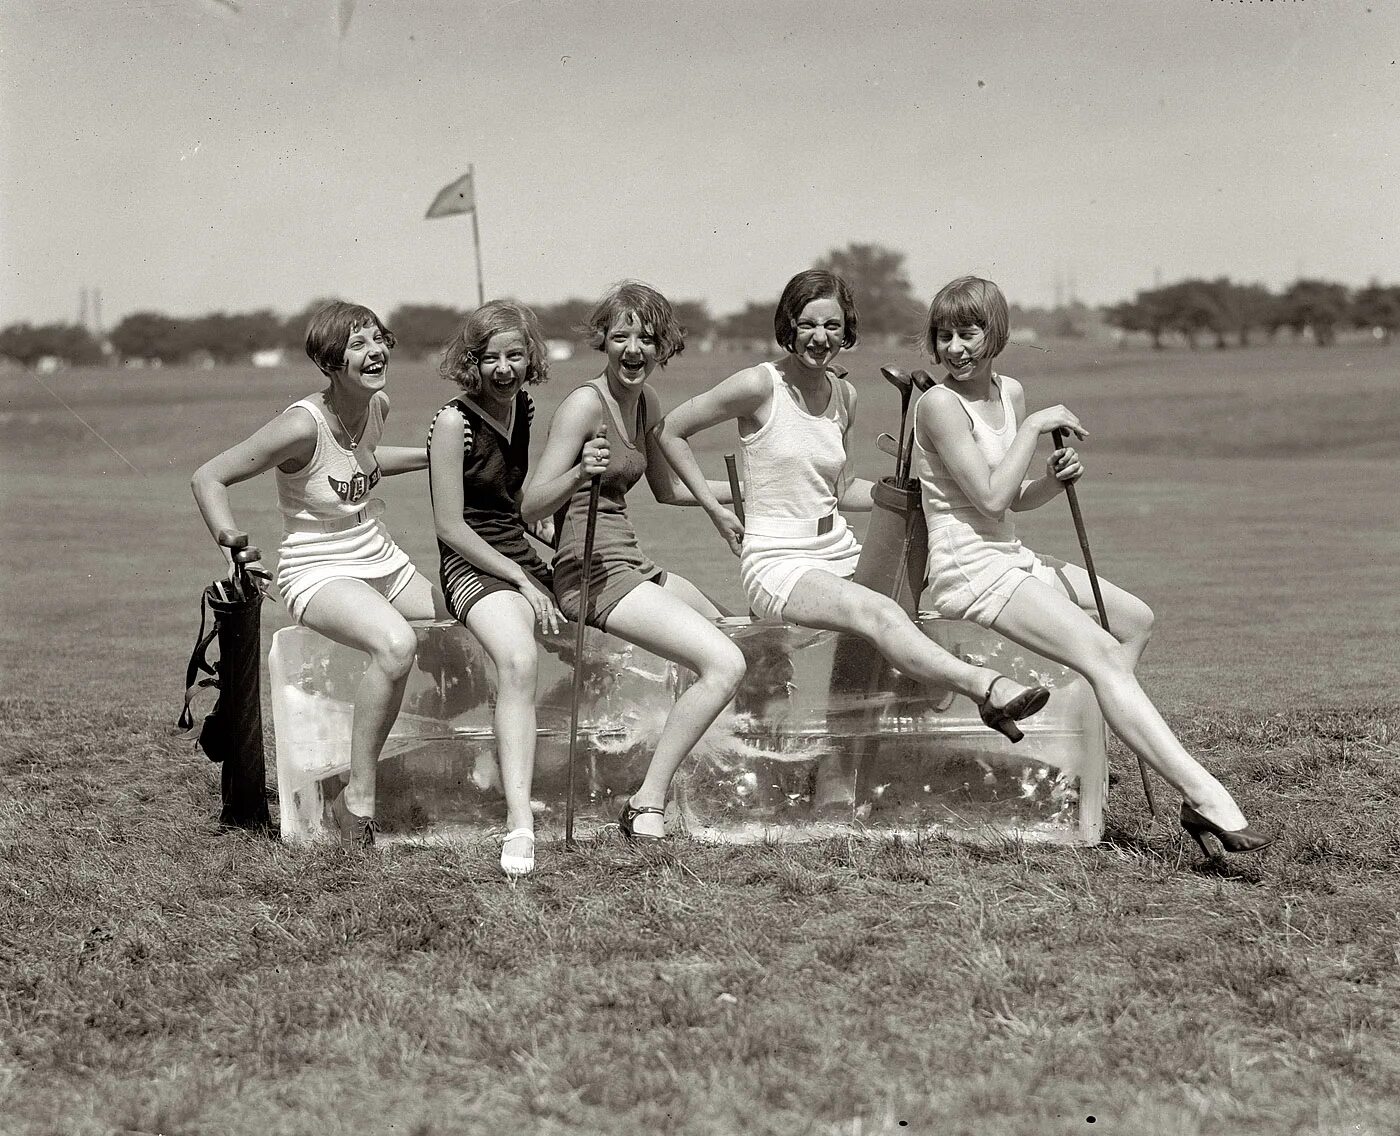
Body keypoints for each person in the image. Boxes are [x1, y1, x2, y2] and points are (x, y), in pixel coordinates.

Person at [910, 275, 1274, 857]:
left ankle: (1096, 741)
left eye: (968, 334)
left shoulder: (1009, 392)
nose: (954, 348)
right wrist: (1034, 429)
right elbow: (989, 498)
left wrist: (1051, 482)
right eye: (944, 335)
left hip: (1009, 557)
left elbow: (1013, 498)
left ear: (994, 334)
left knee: (1134, 621)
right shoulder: (938, 405)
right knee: (1103, 656)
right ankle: (1204, 797)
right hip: (969, 571)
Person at [657, 269, 1052, 753]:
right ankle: (987, 688)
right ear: (788, 325)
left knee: (907, 619)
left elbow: (842, 490)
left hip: (838, 547)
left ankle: (881, 756)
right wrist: (714, 509)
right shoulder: (759, 384)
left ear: (846, 330)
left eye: (832, 326)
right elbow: (670, 430)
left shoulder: (845, 394)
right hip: (777, 561)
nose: (820, 337)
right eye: (807, 324)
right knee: (880, 613)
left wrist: (915, 490)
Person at [192, 301, 440, 848]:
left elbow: (364, 461)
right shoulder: (301, 425)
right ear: (330, 362)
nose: (374, 352)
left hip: (382, 558)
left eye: (378, 339)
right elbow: (209, 476)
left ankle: (458, 763)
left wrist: (433, 454)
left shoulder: (377, 404)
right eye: (357, 344)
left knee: (471, 613)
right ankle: (357, 799)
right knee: (397, 645)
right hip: (317, 570)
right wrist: (233, 544)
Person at [520, 281, 746, 841]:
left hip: (631, 564)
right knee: (725, 664)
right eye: (622, 337)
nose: (634, 349)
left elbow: (669, 490)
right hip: (589, 574)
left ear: (662, 346)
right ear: (603, 340)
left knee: (730, 628)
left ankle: (696, 776)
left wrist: (745, 496)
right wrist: (579, 473)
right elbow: (530, 504)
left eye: (647, 338)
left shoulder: (646, 403)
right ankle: (646, 803)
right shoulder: (583, 405)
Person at [428, 300, 579, 877]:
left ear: (530, 358)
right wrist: (523, 579)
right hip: (469, 565)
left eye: (515, 355)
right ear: (471, 362)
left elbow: (510, 504)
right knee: (518, 660)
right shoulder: (452, 422)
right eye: (490, 358)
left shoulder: (523, 408)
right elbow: (451, 526)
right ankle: (519, 821)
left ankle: (514, 765)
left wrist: (551, 539)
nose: (504, 369)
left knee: (590, 638)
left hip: (516, 553)